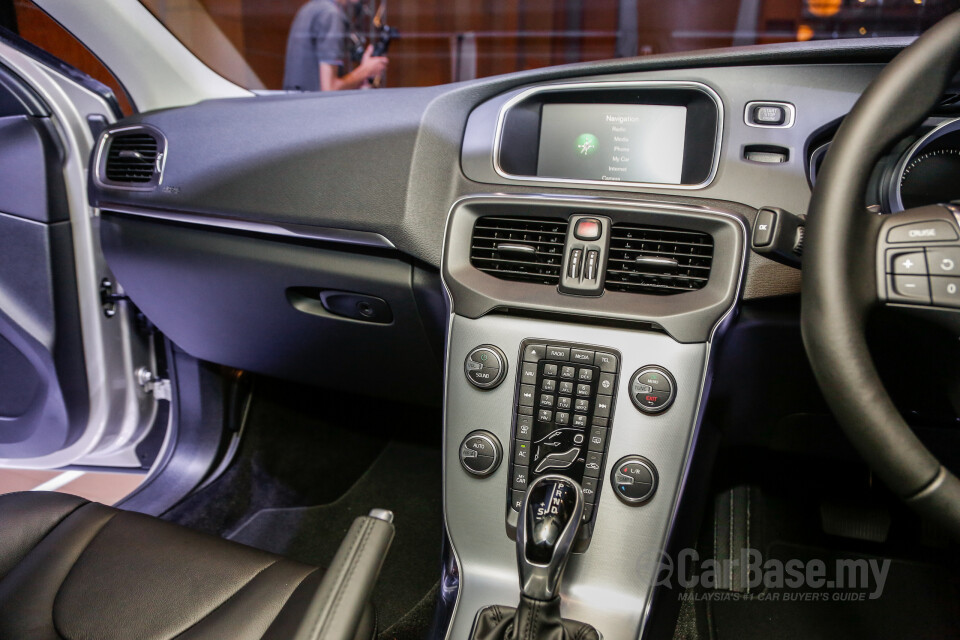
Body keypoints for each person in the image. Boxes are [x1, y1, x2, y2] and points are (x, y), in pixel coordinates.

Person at [283, 0, 389, 91]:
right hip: (315, 111)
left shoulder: (309, 9)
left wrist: (356, 80)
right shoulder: (331, 14)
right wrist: (365, 71)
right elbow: (329, 89)